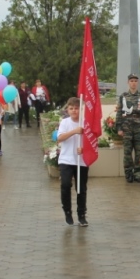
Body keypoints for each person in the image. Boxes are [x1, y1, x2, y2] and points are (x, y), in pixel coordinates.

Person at [57, 97, 89, 226]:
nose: (74, 111)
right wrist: (74, 131)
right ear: (68, 110)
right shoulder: (65, 122)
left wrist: (84, 149)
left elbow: (91, 142)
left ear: (80, 109)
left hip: (81, 161)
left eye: (76, 108)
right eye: (71, 108)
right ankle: (67, 211)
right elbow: (60, 138)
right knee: (65, 185)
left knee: (81, 188)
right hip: (66, 159)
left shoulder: (85, 122)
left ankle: (81, 214)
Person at [116, 73, 140, 183]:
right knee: (127, 153)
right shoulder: (123, 96)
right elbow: (119, 113)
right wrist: (119, 128)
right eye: (131, 81)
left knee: (139, 153)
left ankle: (138, 174)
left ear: (138, 82)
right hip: (127, 128)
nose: (133, 83)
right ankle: (128, 174)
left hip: (139, 128)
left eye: (135, 81)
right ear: (128, 82)